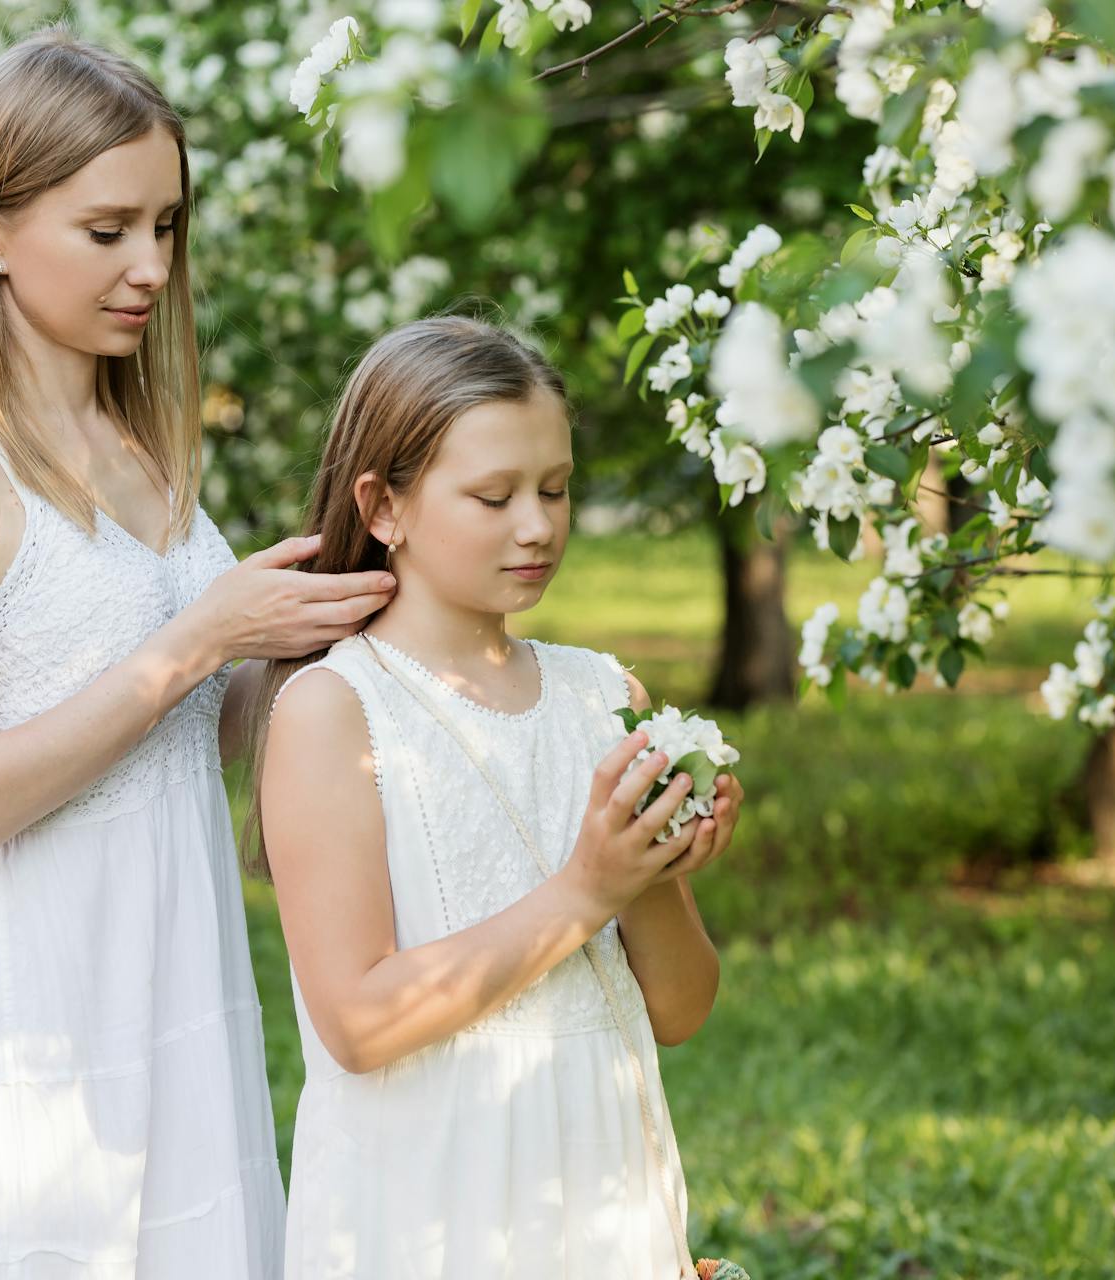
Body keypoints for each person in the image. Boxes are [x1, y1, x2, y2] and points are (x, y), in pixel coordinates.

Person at [0, 28, 393, 1278]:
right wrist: (198, 639)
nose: (149, 266)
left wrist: (315, 629)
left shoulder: (140, 449)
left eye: (169, 227)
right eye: (107, 232)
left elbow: (210, 724)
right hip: (27, 988)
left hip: (176, 962)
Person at [253, 316, 744, 1278]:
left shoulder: (602, 696)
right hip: (432, 1198)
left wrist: (648, 868)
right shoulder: (335, 711)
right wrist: (587, 889)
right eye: (494, 495)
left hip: (599, 1187)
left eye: (556, 489)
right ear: (382, 507)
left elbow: (680, 1009)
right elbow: (357, 1020)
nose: (538, 525)